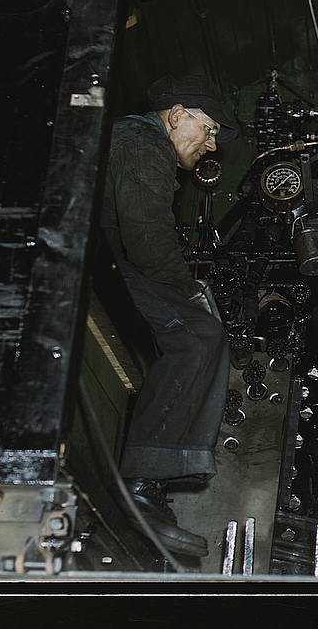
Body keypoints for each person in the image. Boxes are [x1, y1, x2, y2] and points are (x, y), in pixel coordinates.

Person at [99, 73, 239, 558]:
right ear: (177, 114)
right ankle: (142, 485)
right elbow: (144, 236)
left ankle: (152, 477)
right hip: (113, 262)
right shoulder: (142, 142)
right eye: (210, 129)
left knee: (200, 335)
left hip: (109, 261)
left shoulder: (132, 141)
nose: (212, 144)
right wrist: (187, 290)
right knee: (198, 338)